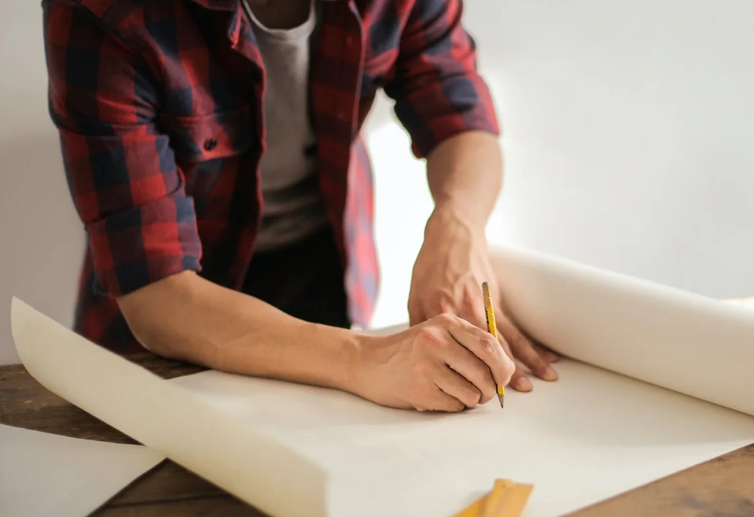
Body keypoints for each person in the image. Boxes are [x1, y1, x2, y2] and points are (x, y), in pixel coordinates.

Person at [42, 0, 558, 413]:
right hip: (171, 318)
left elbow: (460, 113)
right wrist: (368, 359)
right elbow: (157, 297)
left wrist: (457, 227)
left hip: (324, 268)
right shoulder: (101, 10)